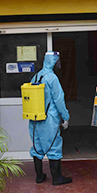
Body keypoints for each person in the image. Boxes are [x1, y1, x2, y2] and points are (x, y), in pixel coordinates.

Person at [29, 51, 72, 185]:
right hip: (49, 119)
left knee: (37, 147)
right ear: (54, 62)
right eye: (57, 61)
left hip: (35, 118)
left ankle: (39, 176)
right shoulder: (52, 78)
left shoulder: (36, 76)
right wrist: (65, 117)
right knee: (54, 147)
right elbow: (59, 100)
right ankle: (57, 178)